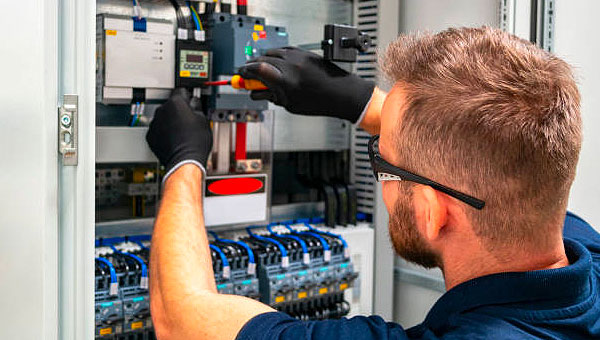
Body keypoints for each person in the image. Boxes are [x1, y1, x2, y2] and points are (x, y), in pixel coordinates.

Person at [145, 27, 600, 339]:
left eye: (382, 159)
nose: (378, 155)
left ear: (431, 212)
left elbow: (181, 319)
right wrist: (359, 102)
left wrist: (184, 162)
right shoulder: (578, 254)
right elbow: (497, 149)